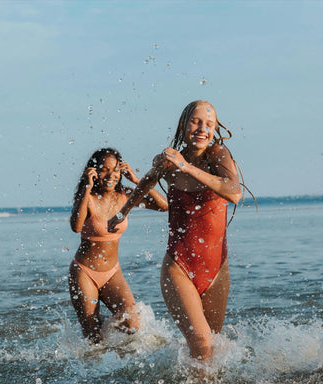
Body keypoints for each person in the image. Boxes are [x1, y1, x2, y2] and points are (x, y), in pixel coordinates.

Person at [108, 100, 242, 361]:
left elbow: (234, 192)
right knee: (202, 345)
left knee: (212, 350)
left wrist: (187, 166)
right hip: (178, 267)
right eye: (196, 121)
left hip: (217, 270)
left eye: (209, 124)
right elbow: (148, 180)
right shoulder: (169, 161)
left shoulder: (217, 154)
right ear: (183, 124)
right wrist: (123, 212)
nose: (202, 128)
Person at [69, 147, 168, 343]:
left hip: (113, 272)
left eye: (115, 169)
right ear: (94, 172)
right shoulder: (88, 198)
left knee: (132, 324)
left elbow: (163, 206)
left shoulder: (126, 195)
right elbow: (76, 226)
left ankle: (104, 326)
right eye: (104, 169)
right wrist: (86, 188)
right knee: (93, 337)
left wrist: (139, 181)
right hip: (84, 272)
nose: (110, 175)